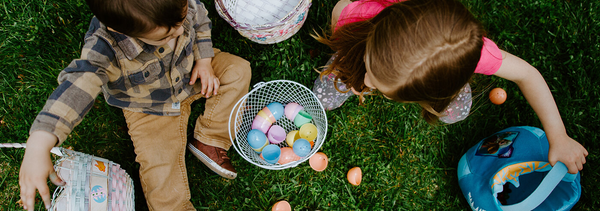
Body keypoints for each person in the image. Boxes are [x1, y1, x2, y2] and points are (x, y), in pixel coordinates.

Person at [18, 0, 251, 210]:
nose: (181, 31)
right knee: (161, 177)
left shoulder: (176, 5)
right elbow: (78, 86)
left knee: (237, 71)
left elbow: (199, 18)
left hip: (192, 72)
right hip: (148, 108)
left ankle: (210, 139)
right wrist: (39, 142)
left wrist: (204, 60)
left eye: (181, 21)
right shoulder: (104, 48)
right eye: (165, 36)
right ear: (119, 29)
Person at [312, 0, 587, 174]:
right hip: (363, 38)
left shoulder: (476, 54)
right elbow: (339, 11)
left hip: (440, 77)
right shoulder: (360, 16)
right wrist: (359, 64)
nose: (367, 84)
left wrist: (558, 136)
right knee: (332, 87)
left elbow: (528, 74)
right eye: (370, 68)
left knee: (454, 112)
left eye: (378, 85)